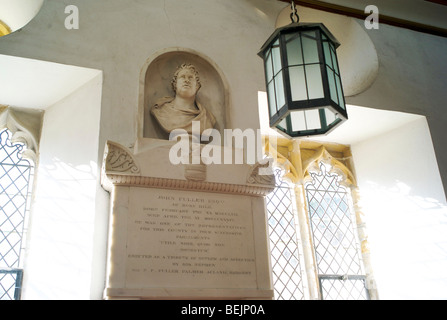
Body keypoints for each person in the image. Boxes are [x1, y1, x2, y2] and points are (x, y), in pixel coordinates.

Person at [151, 63, 216, 135]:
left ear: (197, 86)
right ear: (175, 84)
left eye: (190, 77)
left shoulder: (206, 118)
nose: (187, 80)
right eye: (182, 77)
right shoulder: (162, 110)